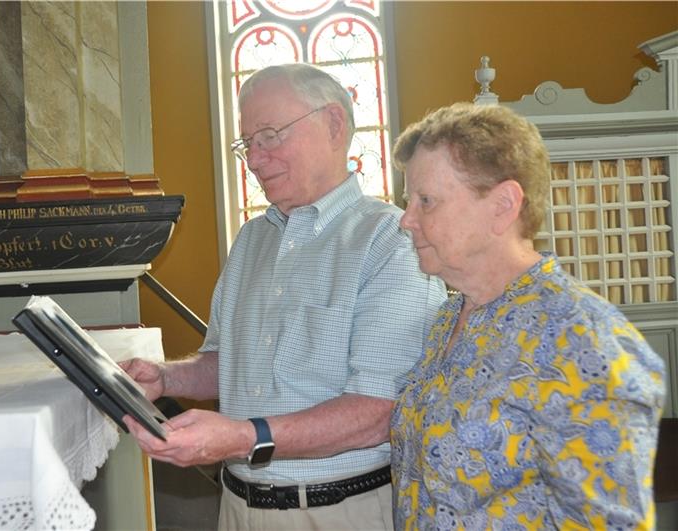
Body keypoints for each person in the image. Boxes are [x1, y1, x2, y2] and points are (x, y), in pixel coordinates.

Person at [120, 63, 446, 530]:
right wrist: (164, 378)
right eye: (246, 143)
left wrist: (240, 438)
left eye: (270, 135)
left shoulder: (390, 241)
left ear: (334, 125)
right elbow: (225, 363)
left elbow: (378, 412)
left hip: (339, 513)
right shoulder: (253, 238)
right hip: (237, 508)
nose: (253, 159)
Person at [390, 102, 666, 530]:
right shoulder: (450, 317)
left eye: (426, 201)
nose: (406, 220)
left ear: (503, 205)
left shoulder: (581, 339)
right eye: (409, 201)